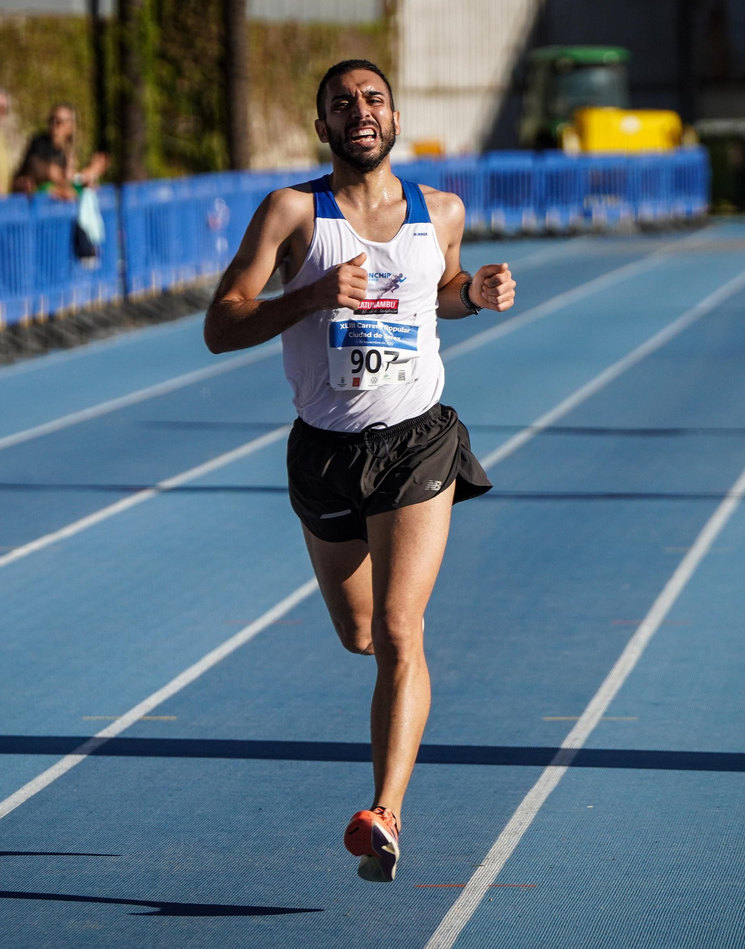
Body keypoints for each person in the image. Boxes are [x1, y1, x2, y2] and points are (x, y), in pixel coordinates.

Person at [203, 59, 515, 883]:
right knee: (363, 634)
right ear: (324, 128)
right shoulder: (291, 213)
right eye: (342, 103)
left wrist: (474, 293)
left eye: (373, 99)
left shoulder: (441, 210)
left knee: (401, 631)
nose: (360, 111)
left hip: (417, 442)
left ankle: (386, 813)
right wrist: (310, 296)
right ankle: (389, 719)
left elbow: (438, 288)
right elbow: (221, 326)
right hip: (325, 451)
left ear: (395, 118)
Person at [13, 103, 106, 200]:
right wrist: (85, 174)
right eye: (51, 120)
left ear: (70, 126)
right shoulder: (39, 143)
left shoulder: (66, 150)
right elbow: (48, 172)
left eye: (59, 122)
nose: (54, 125)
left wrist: (86, 178)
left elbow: (68, 177)